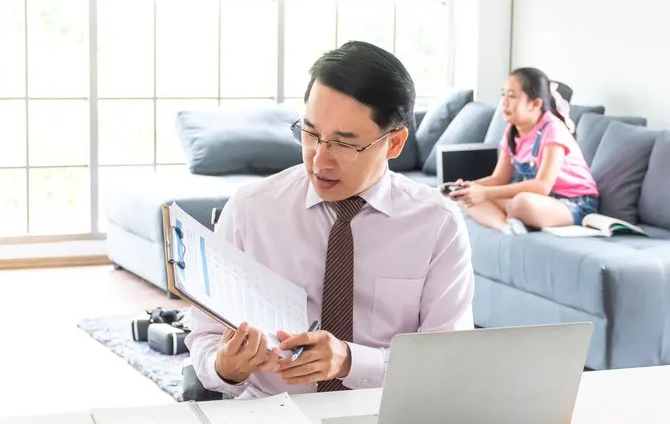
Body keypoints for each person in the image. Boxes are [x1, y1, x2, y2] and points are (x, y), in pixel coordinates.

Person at [185, 41, 475, 399]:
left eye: (345, 144)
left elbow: (448, 362)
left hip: (384, 421)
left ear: (396, 143)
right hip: (271, 420)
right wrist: (225, 368)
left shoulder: (437, 225)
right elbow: (204, 338)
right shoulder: (251, 210)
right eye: (310, 134)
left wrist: (350, 361)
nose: (319, 161)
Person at [448, 67, 599, 235]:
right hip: (541, 200)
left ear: (535, 104)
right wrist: (471, 186)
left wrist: (485, 193)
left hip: (574, 203)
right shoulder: (511, 131)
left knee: (520, 203)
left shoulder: (553, 129)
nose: (504, 102)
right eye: (503, 94)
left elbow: (542, 186)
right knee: (468, 198)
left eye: (512, 96)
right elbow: (499, 178)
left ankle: (513, 216)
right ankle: (506, 226)